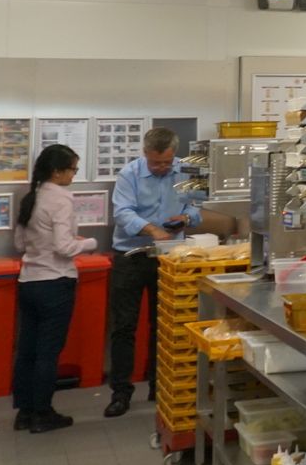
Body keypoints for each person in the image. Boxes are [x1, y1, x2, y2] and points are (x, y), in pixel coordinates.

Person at [106, 126, 202, 418]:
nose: (161, 167)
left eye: (166, 162)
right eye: (155, 162)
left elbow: (197, 207)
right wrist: (151, 230)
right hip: (131, 256)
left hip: (170, 256)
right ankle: (120, 392)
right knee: (124, 326)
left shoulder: (185, 171)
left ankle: (159, 385)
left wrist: (186, 217)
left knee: (164, 324)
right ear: (145, 153)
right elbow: (123, 213)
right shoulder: (129, 174)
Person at [12, 144, 96, 433]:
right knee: (48, 352)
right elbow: (63, 247)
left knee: (27, 350)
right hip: (55, 283)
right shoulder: (60, 199)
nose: (73, 175)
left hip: (28, 282)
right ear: (57, 172)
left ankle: (24, 412)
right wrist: (89, 243)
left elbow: (19, 244)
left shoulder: (31, 196)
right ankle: (42, 413)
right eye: (72, 169)